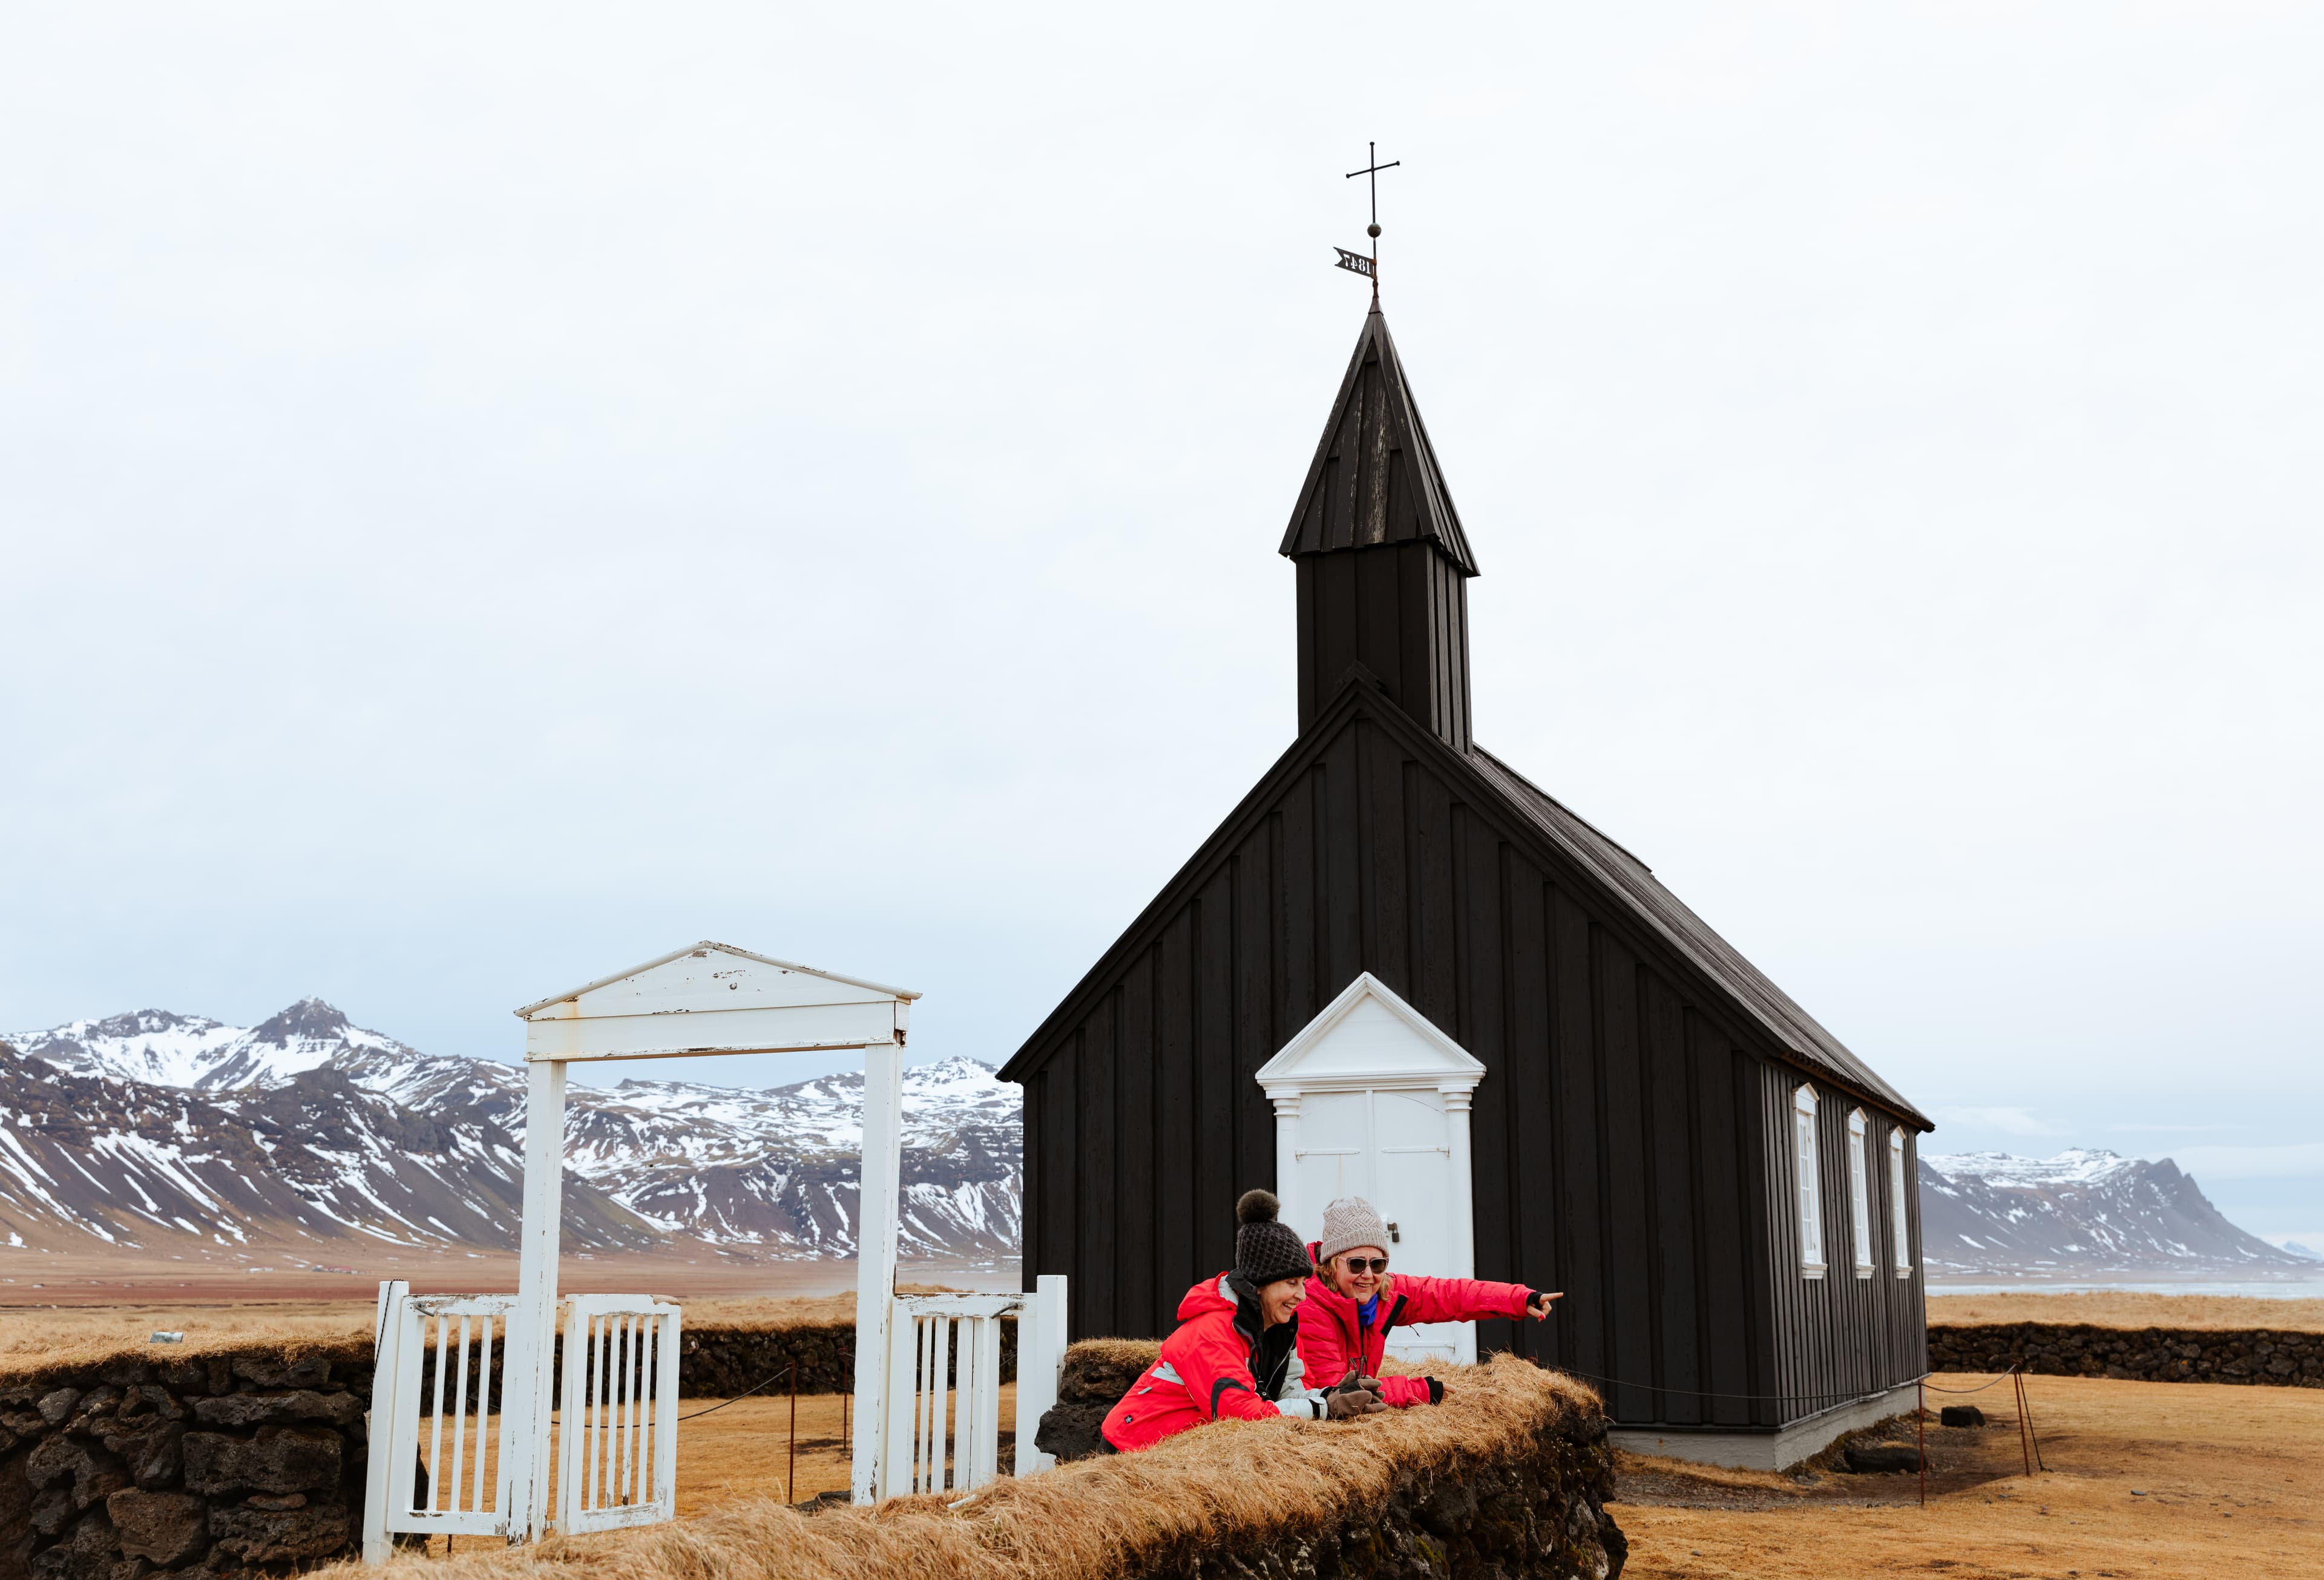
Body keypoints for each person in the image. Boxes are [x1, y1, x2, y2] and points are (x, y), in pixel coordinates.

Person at [1100, 1188, 1389, 1452]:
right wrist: (1325, 1408)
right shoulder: (1211, 1332)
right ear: (1260, 1284)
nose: (1302, 1295)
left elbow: (1287, 1392)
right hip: (1129, 1450)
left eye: (1303, 1282)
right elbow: (1241, 1415)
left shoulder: (1280, 1325)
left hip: (1178, 1452)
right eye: (1291, 1283)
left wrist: (1333, 1393)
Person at [1298, 1195, 1561, 1408]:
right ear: (1331, 1264)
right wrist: (1419, 1390)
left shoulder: (1383, 1291)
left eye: (1378, 1264)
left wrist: (1518, 1299)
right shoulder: (1310, 1305)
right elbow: (1338, 1396)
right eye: (1357, 1264)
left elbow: (1449, 1295)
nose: (1368, 1275)